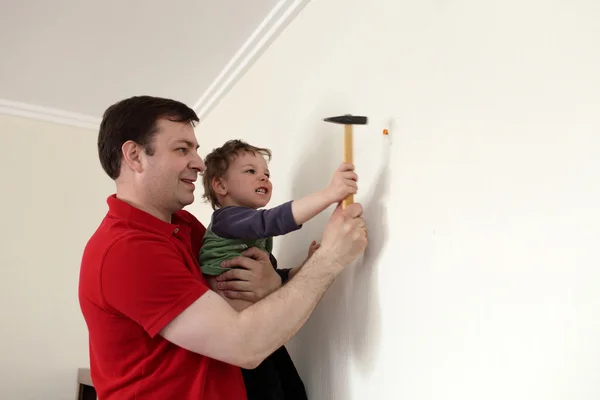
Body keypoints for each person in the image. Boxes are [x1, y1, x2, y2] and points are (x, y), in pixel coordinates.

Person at [78, 95, 368, 400]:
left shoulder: (183, 227)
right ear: (135, 156)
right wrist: (330, 258)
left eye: (196, 150)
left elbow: (231, 300)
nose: (199, 163)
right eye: (181, 149)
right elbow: (243, 343)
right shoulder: (128, 250)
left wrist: (272, 284)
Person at [198, 139, 357, 399]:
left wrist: (303, 268)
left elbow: (271, 275)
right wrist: (330, 194)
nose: (263, 177)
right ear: (220, 185)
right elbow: (271, 220)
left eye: (267, 174)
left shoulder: (251, 232)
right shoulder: (227, 220)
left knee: (292, 389)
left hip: (262, 334)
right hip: (239, 347)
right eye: (251, 171)